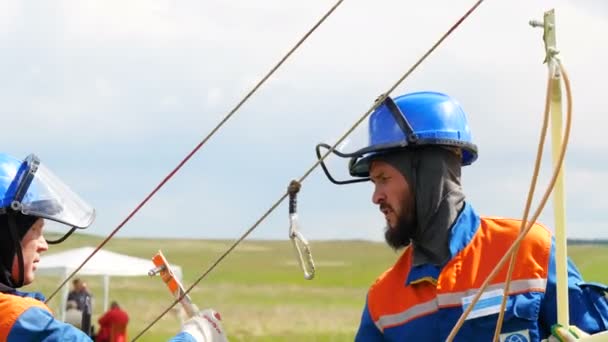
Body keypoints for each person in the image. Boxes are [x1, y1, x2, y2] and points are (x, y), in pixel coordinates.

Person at [316, 91, 608, 341]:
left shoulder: (528, 251)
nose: (376, 196)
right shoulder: (384, 301)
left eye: (383, 178)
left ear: (428, 174)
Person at [0, 152, 227, 341]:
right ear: (5, 236)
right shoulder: (17, 320)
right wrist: (195, 335)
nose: (43, 245)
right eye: (36, 230)